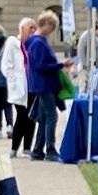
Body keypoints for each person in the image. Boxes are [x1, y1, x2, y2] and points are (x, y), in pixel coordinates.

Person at [23, 15, 63, 159]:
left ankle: (38, 149)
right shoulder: (39, 43)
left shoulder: (36, 42)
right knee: (51, 116)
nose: (52, 31)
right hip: (44, 84)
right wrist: (60, 65)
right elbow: (40, 66)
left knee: (44, 117)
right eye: (52, 27)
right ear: (45, 24)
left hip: (41, 84)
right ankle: (50, 149)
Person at [1, 17, 33, 158]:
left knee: (31, 117)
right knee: (21, 116)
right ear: (22, 29)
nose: (32, 31)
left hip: (31, 86)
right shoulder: (13, 43)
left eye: (34, 28)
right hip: (19, 87)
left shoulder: (32, 44)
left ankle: (27, 148)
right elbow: (6, 65)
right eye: (29, 28)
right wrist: (13, 80)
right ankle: (14, 148)